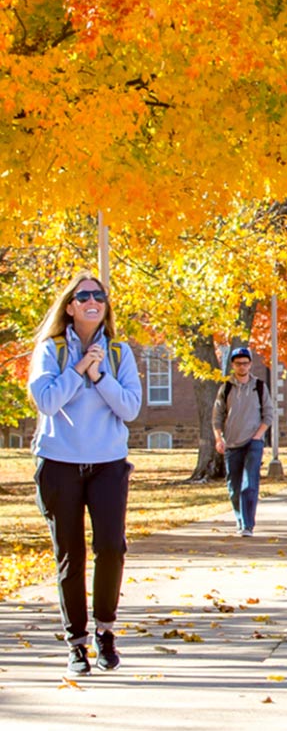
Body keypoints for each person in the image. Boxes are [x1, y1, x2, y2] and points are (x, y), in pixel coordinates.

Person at [28, 271, 142, 679]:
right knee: (69, 556)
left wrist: (99, 375)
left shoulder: (119, 354)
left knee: (111, 547)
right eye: (84, 295)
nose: (93, 299)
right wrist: (77, 370)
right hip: (59, 463)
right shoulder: (51, 351)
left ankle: (105, 632)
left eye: (100, 295)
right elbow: (45, 401)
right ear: (71, 307)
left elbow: (129, 408)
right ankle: (76, 644)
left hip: (108, 464)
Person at [212, 347, 273, 537]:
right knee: (234, 486)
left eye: (245, 363)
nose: (242, 366)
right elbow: (217, 416)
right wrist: (218, 438)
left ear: (250, 364)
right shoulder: (226, 388)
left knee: (250, 483)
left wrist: (258, 436)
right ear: (233, 365)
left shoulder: (260, 386)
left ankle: (248, 525)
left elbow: (268, 415)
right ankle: (240, 521)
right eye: (238, 363)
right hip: (232, 443)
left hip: (253, 442)